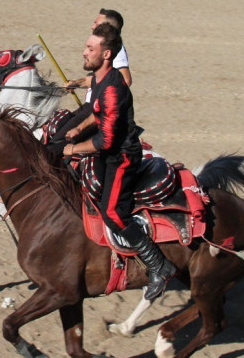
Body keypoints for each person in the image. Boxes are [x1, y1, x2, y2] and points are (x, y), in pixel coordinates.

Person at [63, 23, 176, 301]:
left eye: (90, 49)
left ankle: (159, 266)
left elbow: (106, 141)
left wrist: (73, 148)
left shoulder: (113, 87)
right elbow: (99, 112)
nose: (84, 52)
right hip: (108, 151)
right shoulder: (101, 79)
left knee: (112, 213)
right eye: (86, 46)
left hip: (121, 157)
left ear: (106, 54)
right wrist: (80, 127)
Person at [46, 9, 132, 155]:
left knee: (55, 146)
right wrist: (77, 83)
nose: (92, 26)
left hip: (94, 107)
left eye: (96, 23)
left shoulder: (114, 51)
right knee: (54, 129)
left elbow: (125, 80)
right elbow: (97, 80)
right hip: (92, 106)